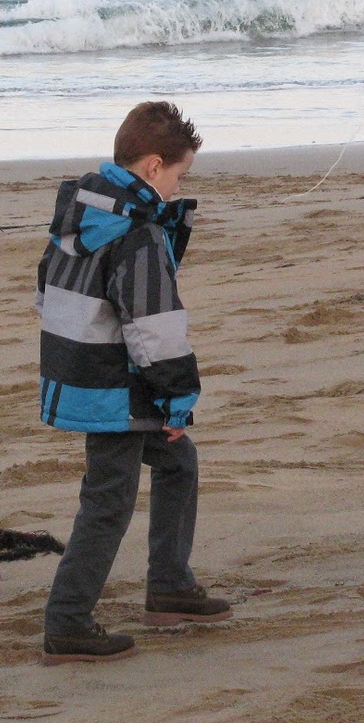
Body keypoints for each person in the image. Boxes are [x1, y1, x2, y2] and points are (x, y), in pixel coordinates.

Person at [37, 101, 231, 663]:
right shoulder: (136, 234)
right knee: (108, 500)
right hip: (114, 387)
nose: (178, 187)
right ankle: (68, 622)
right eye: (178, 175)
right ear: (152, 167)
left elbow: (44, 295)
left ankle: (169, 584)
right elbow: (156, 330)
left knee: (177, 462)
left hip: (79, 373)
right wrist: (177, 399)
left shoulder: (79, 213)